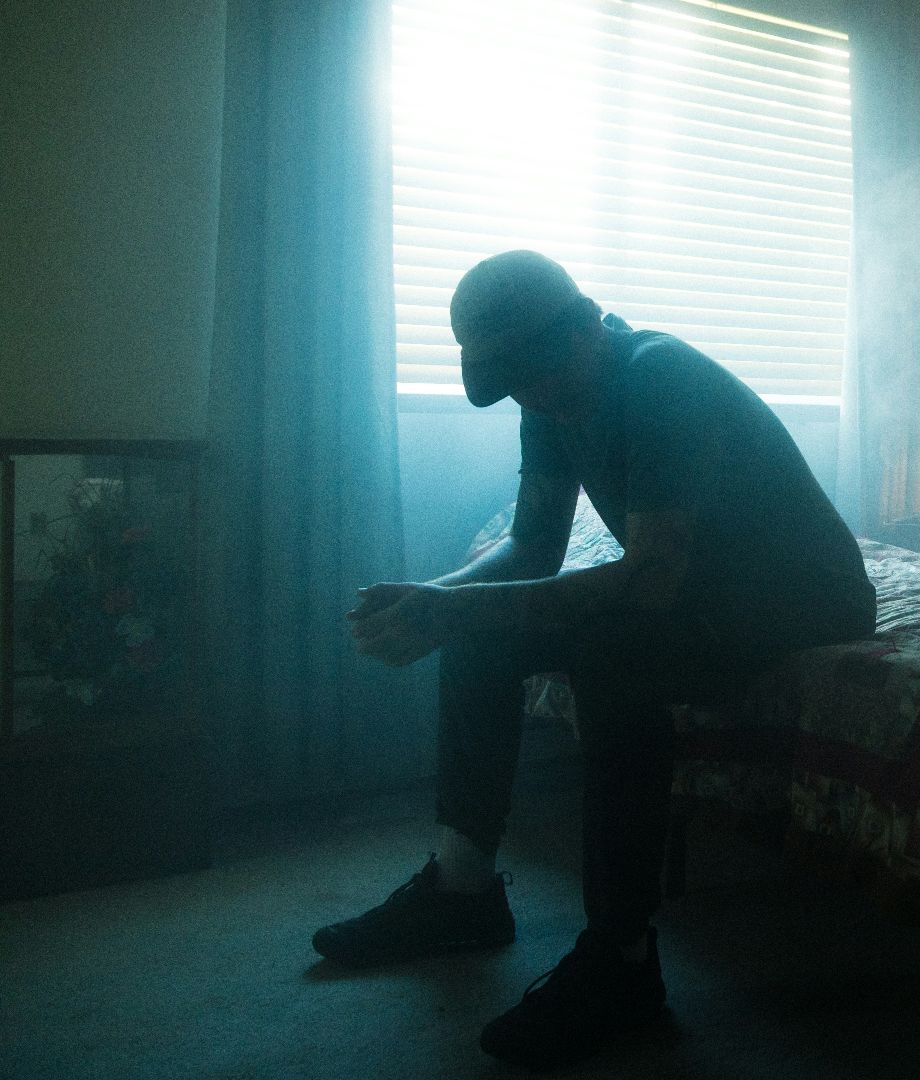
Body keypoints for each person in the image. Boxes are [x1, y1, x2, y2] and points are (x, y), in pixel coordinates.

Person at [313, 250, 876, 1072]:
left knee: (613, 654)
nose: (535, 396)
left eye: (540, 375)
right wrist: (435, 599)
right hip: (695, 587)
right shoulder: (549, 393)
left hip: (801, 598)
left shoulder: (660, 380)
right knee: (478, 634)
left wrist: (454, 607)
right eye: (515, 384)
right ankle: (462, 890)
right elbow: (531, 545)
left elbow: (649, 582)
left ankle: (623, 959)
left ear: (589, 328)